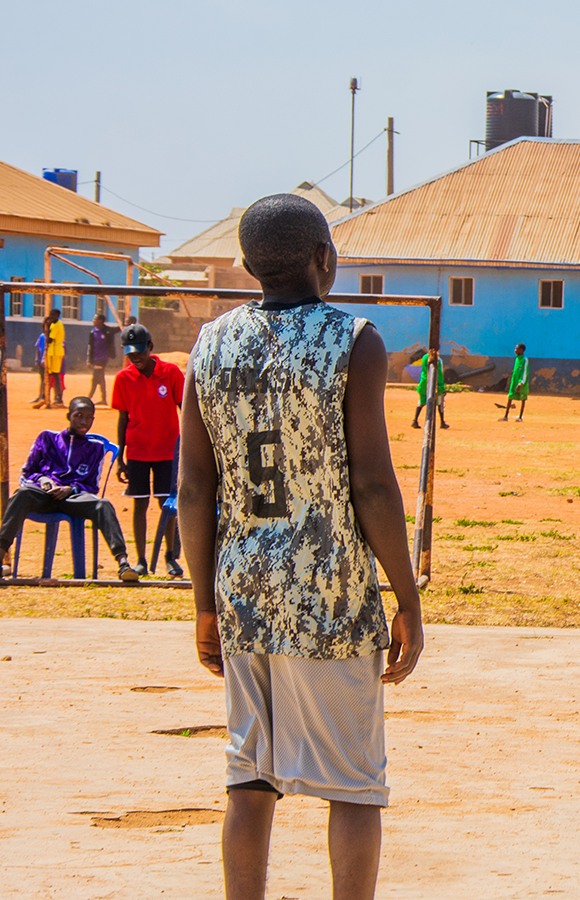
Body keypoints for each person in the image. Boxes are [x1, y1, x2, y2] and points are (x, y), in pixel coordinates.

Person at [179, 193, 424, 900]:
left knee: (249, 779)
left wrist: (203, 603)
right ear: (324, 258)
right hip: (330, 592)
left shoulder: (210, 343)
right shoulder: (354, 340)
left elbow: (192, 489)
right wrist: (405, 596)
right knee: (353, 785)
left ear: (248, 264)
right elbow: (372, 485)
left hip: (243, 591)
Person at [0, 398, 140, 583]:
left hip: (73, 499)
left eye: (89, 417)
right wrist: (43, 480)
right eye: (78, 416)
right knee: (22, 494)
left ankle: (123, 564)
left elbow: (92, 485)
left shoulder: (96, 448)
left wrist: (70, 489)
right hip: (44, 496)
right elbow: (27, 473)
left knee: (103, 505)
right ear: (68, 416)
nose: (84, 421)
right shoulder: (47, 438)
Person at [112, 323, 184, 575]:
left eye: (139, 352)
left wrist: (186, 449)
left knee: (167, 505)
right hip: (137, 452)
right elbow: (122, 419)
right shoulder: (123, 379)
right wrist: (120, 457)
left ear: (150, 347)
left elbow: (185, 408)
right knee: (139, 505)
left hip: (167, 452)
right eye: (130, 353)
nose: (135, 358)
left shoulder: (171, 373)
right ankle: (141, 560)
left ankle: (169, 557)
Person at [410, 351, 451, 430]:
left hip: (424, 382)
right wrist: (442, 387)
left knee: (421, 402)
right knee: (440, 403)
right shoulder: (438, 360)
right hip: (435, 383)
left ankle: (415, 420)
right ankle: (442, 422)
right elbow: (439, 374)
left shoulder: (425, 357)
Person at [87, 312, 119, 402]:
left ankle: (89, 397)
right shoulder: (92, 332)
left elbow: (118, 328)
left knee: (95, 378)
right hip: (95, 358)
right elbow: (90, 346)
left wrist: (125, 322)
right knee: (100, 378)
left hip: (103, 358)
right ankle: (103, 399)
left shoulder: (107, 330)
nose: (94, 321)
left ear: (101, 321)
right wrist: (89, 360)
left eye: (96, 319)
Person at [43, 309, 66, 409]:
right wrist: (45, 325)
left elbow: (49, 339)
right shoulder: (53, 324)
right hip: (51, 351)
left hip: (56, 352)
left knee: (55, 374)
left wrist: (46, 326)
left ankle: (58, 398)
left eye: (53, 315)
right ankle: (46, 396)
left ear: (58, 316)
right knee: (49, 374)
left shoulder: (57, 325)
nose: (51, 317)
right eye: (50, 315)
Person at [506, 343, 530, 421]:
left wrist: (520, 383)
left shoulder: (525, 360)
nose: (515, 350)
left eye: (517, 349)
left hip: (521, 383)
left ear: (522, 350)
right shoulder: (517, 359)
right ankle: (505, 416)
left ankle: (520, 417)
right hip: (514, 382)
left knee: (523, 399)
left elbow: (525, 372)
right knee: (510, 397)